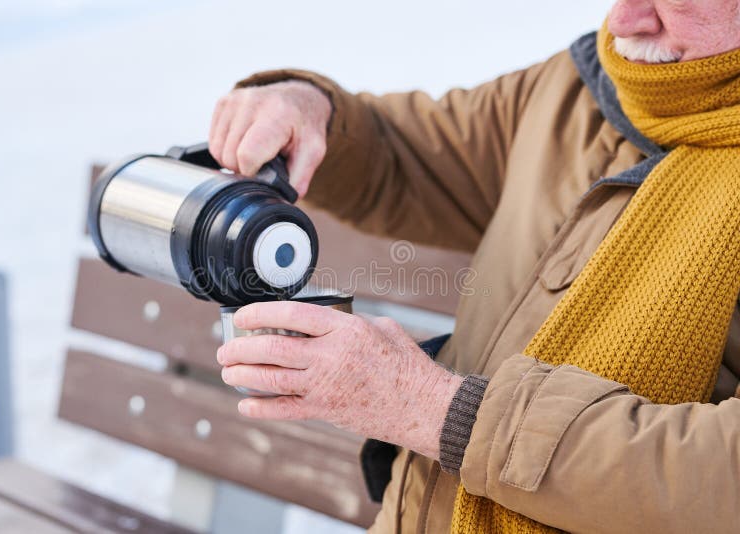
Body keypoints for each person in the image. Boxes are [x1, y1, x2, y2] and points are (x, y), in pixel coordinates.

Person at [212, 1, 740, 532]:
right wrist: (313, 109)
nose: (624, 21)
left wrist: (437, 410)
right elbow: (408, 157)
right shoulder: (580, 89)